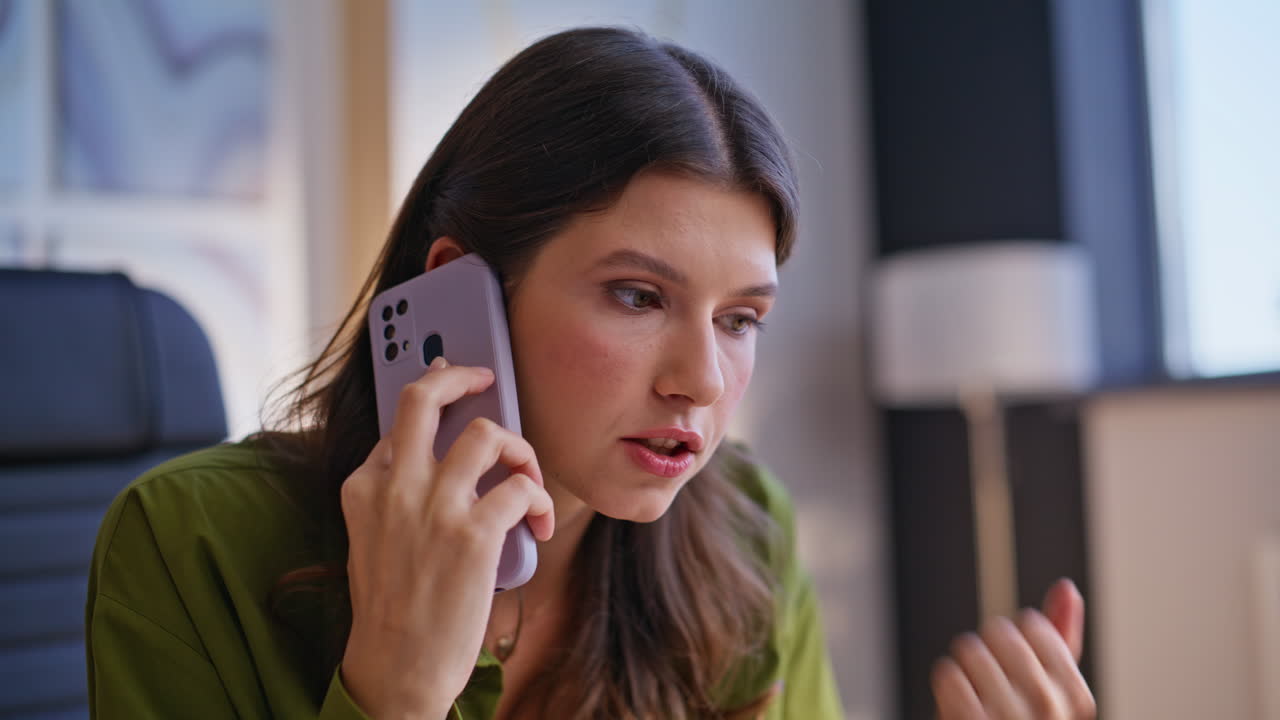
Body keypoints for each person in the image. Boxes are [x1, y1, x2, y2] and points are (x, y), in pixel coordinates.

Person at [84, 26, 1095, 720]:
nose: (699, 381)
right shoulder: (190, 546)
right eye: (637, 296)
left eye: (740, 318)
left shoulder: (745, 534)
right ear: (459, 292)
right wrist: (390, 695)